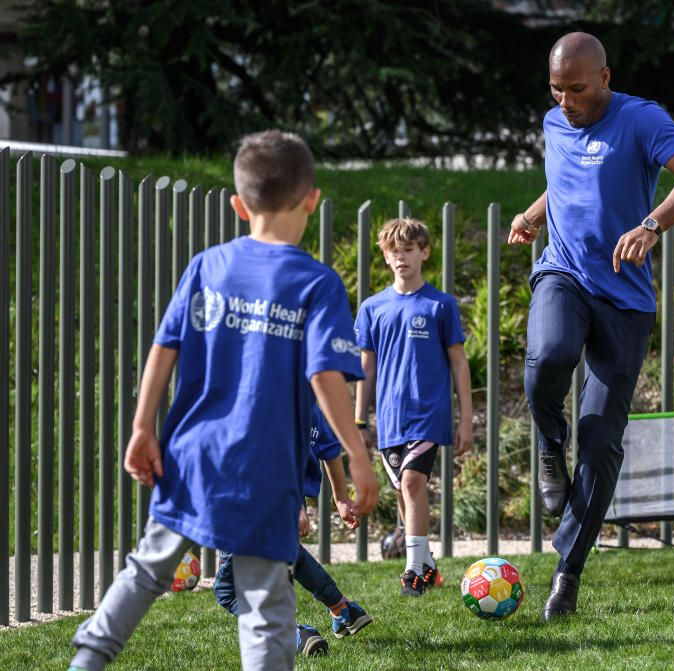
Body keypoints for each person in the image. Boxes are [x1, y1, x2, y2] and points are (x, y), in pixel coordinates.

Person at [67, 130, 379, 671]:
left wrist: (143, 429)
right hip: (264, 473)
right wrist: (355, 456)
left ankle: (87, 660)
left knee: (147, 570)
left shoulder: (207, 266)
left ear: (238, 205)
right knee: (264, 604)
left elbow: (164, 349)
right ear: (312, 199)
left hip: (191, 458)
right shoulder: (319, 283)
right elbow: (327, 376)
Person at [507, 31, 674, 620]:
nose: (565, 101)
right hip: (565, 273)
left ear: (605, 77)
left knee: (601, 439)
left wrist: (651, 224)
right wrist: (531, 215)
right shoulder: (555, 122)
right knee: (548, 358)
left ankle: (567, 575)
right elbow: (565, 181)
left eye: (576, 89)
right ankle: (551, 445)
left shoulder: (640, 118)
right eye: (555, 90)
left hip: (625, 299)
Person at [354, 217, 473, 597]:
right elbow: (366, 368)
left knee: (412, 482)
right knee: (405, 494)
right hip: (389, 420)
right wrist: (360, 421)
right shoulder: (373, 308)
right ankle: (426, 564)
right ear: (386, 258)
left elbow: (458, 362)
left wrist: (466, 418)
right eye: (394, 251)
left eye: (408, 250)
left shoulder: (441, 305)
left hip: (428, 414)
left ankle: (412, 573)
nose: (401, 257)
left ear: (424, 252)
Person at [214, 405, 372, 656]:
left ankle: (293, 633)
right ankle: (343, 609)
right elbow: (330, 449)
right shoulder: (310, 407)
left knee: (227, 591)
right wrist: (341, 498)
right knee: (291, 554)